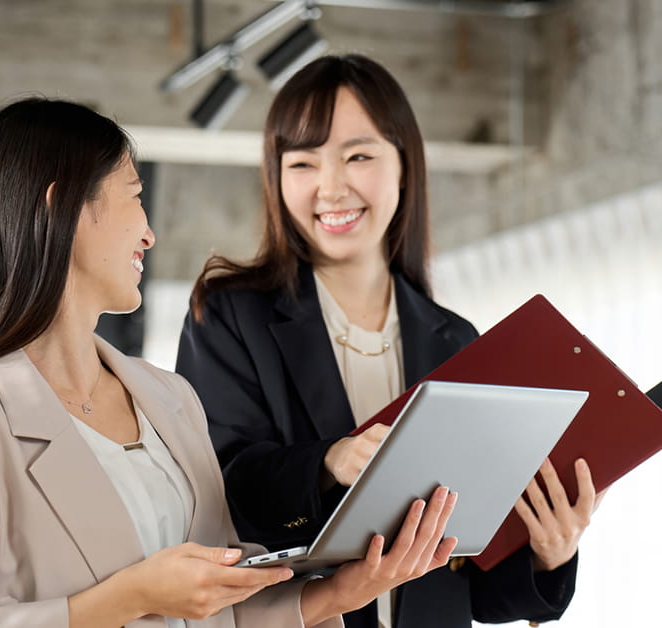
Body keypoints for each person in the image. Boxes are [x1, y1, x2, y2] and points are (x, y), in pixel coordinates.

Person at [0, 97, 463, 627]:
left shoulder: (171, 400)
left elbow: (223, 606)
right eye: (134, 197)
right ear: (65, 207)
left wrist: (341, 593)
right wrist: (129, 597)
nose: (150, 234)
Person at [176, 55, 602, 628]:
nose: (331, 188)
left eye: (358, 156)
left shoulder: (457, 340)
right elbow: (216, 496)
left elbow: (470, 588)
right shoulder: (230, 315)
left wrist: (552, 554)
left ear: (405, 166)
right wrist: (328, 462)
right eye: (302, 163)